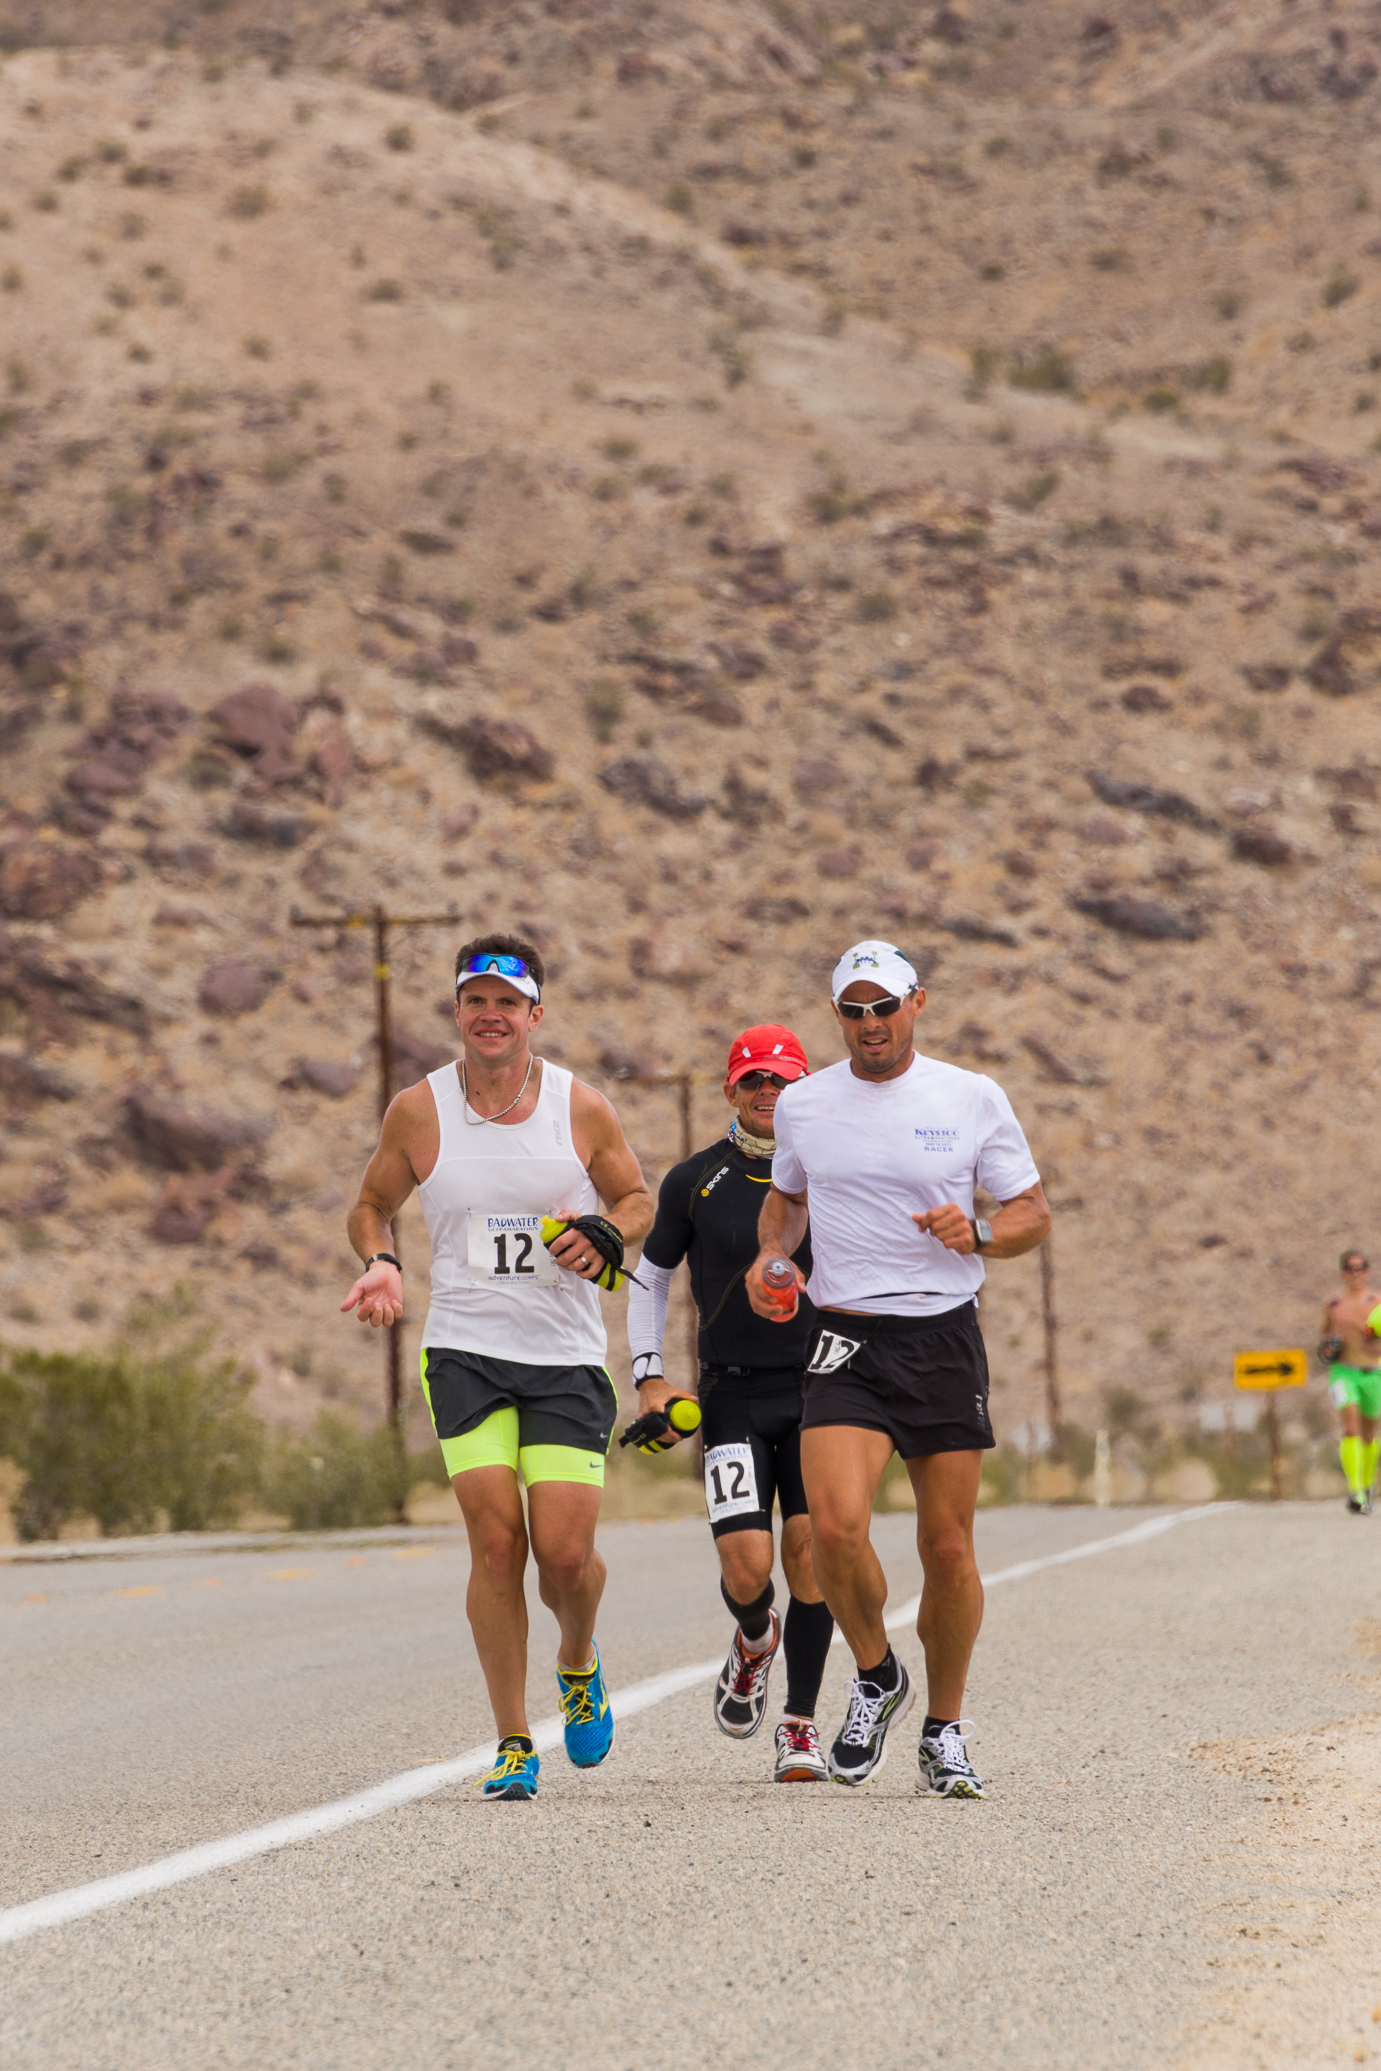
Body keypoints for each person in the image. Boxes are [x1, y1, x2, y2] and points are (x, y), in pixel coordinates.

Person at [341, 933, 653, 1802]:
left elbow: (635, 1198)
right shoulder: (419, 1109)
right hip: (466, 1351)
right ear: (457, 1011)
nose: (490, 1014)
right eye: (475, 1000)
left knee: (564, 1553)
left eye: (506, 1002)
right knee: (493, 1541)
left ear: (534, 1015)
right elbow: (373, 1202)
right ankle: (514, 1740)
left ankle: (578, 1658)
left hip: (562, 1357)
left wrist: (607, 1231)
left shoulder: (578, 1107)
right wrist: (383, 1261)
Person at [746, 939, 1051, 1799]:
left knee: (946, 1545)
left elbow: (1032, 1213)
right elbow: (788, 1198)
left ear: (917, 1003)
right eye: (854, 1009)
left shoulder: (970, 1095)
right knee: (831, 1529)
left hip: (942, 1335)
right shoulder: (803, 1104)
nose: (870, 1023)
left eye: (885, 1006)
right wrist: (771, 1256)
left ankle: (943, 1729)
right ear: (836, 1014)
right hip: (843, 1335)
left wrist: (981, 1232)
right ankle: (877, 1674)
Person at [626, 1025, 837, 1783]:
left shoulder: (834, 1170)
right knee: (748, 1567)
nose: (767, 1094)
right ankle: (753, 1640)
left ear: (804, 1088)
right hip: (731, 1392)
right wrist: (649, 1376)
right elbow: (648, 1280)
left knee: (812, 1554)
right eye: (754, 1081)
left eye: (781, 1081)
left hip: (823, 1390)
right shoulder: (694, 1180)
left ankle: (801, 1724)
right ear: (730, 1090)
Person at [1321, 1250, 1381, 1514]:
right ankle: (1354, 1490)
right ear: (1342, 1272)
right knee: (1350, 1428)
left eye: (1360, 1268)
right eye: (1350, 1269)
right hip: (1343, 1372)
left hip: (1372, 1372)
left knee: (1369, 1434)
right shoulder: (1333, 1304)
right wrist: (1326, 1348)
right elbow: (1324, 1336)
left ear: (1367, 1272)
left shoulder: (1376, 1302)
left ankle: (1368, 1485)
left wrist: (1372, 1343)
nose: (1355, 1274)